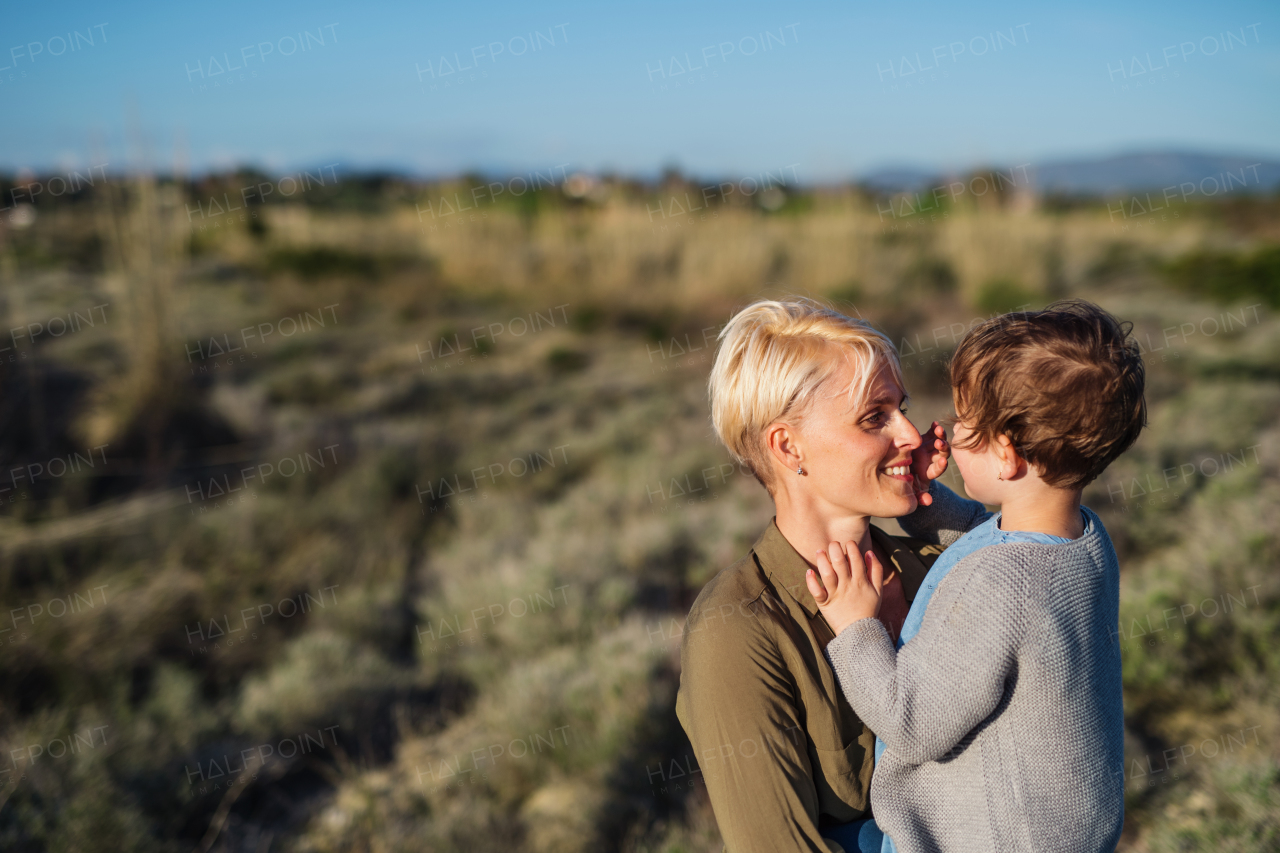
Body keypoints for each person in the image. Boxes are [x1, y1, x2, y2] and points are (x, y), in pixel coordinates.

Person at [806, 301, 1146, 853]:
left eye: (966, 422)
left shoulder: (1002, 586)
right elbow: (990, 534)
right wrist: (925, 504)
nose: (948, 431)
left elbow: (911, 721)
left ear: (1007, 455)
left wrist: (856, 627)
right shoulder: (1082, 537)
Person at [675, 298, 951, 853]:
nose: (910, 434)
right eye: (875, 417)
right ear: (788, 446)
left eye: (902, 408)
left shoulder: (935, 566)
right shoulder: (737, 630)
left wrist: (937, 512)